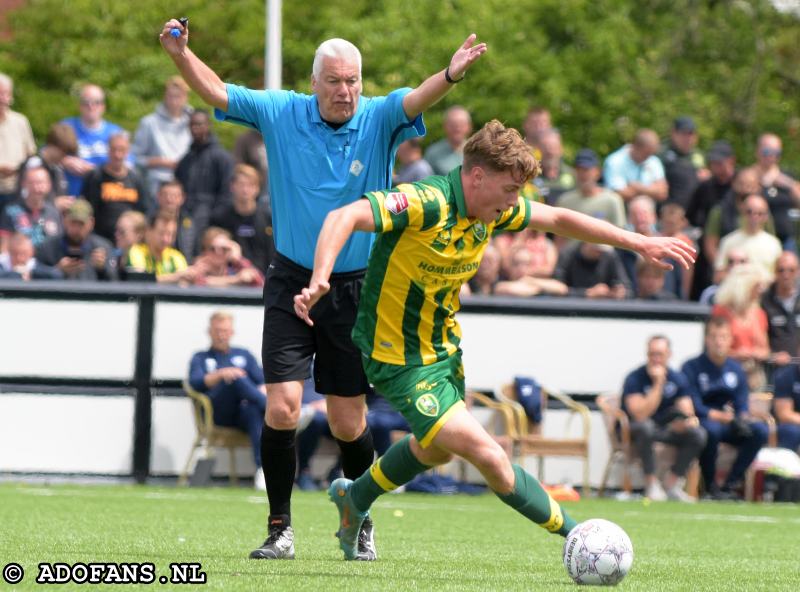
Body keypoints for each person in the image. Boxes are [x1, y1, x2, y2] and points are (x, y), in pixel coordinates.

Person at [161, 17, 487, 561]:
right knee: (284, 407)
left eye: (353, 81)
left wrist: (450, 74)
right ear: (314, 82)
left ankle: (360, 518)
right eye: (335, 81)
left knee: (347, 420)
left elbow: (415, 98)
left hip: (356, 289)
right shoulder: (281, 110)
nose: (345, 92)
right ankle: (279, 528)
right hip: (291, 279)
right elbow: (216, 91)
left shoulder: (380, 117)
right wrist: (180, 56)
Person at [292, 120, 694, 560]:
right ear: (476, 176)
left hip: (443, 354)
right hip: (396, 358)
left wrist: (637, 242)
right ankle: (581, 539)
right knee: (490, 455)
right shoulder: (427, 202)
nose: (514, 201)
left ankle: (356, 498)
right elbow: (343, 216)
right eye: (510, 188)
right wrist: (319, 279)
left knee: (434, 451)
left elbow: (558, 218)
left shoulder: (493, 209)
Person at [681, 316, 769, 500]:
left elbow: (741, 402)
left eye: (723, 337)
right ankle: (709, 486)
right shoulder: (692, 367)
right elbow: (695, 405)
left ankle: (730, 485)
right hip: (704, 420)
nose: (719, 342)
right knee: (710, 432)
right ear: (707, 340)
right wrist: (724, 417)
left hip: (731, 423)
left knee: (759, 431)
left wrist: (742, 418)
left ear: (730, 340)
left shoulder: (735, 369)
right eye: (714, 337)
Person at [188, 312, 268, 490]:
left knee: (254, 410)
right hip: (217, 412)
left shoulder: (244, 355)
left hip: (242, 414)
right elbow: (195, 383)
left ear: (232, 332)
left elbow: (262, 381)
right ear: (209, 332)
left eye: (225, 330)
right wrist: (221, 374)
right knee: (234, 378)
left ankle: (263, 470)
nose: (221, 334)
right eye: (217, 330)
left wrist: (260, 389)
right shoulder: (200, 357)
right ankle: (277, 411)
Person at [621, 335, 706, 502]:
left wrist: (685, 422)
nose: (656, 359)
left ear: (669, 355)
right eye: (652, 354)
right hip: (638, 430)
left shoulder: (678, 378)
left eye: (660, 354)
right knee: (645, 426)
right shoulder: (635, 378)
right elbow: (639, 414)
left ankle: (671, 484)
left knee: (698, 434)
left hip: (666, 429)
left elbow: (687, 410)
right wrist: (658, 383)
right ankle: (651, 484)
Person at [174, 109, 235, 258]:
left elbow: (227, 193)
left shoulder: (222, 157)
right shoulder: (185, 160)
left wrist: (213, 217)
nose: (195, 128)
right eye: (192, 124)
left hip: (212, 221)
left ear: (208, 125)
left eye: (199, 124)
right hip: (186, 217)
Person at [60, 84, 128, 197]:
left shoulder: (116, 133)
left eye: (97, 102)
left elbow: (128, 166)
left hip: (105, 199)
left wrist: (94, 170)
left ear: (103, 106)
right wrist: (64, 160)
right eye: (86, 102)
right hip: (71, 197)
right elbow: (45, 155)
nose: (91, 106)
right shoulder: (66, 127)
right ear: (79, 105)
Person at [81, 132, 150, 243]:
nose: (117, 155)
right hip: (101, 239)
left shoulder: (136, 179)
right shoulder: (95, 177)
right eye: (114, 149)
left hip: (130, 241)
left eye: (121, 150)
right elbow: (87, 209)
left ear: (127, 152)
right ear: (108, 150)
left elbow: (144, 211)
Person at [132, 76, 193, 197]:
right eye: (171, 96)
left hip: (187, 183)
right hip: (156, 185)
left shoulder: (193, 123)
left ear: (186, 98)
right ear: (165, 96)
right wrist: (157, 162)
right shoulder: (149, 123)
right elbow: (135, 158)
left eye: (179, 96)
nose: (174, 101)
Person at [210, 164, 275, 272]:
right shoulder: (219, 218)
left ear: (257, 188)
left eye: (250, 185)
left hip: (263, 278)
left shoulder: (268, 219)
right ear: (232, 186)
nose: (245, 189)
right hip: (230, 278)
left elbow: (274, 255)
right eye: (241, 184)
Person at [36, 199, 116, 281]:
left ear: (91, 223)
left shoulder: (103, 248)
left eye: (81, 224)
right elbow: (34, 276)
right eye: (73, 223)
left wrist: (102, 269)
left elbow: (115, 283)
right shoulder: (49, 247)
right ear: (64, 220)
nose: (76, 229)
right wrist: (56, 271)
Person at [744, 133, 800, 250]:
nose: (772, 156)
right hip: (755, 239)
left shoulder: (787, 177)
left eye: (777, 153)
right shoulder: (748, 176)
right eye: (767, 152)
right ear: (758, 151)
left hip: (785, 240)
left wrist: (789, 185)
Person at [714, 194, 782, 281]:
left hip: (765, 292)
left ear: (766, 216)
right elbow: (718, 276)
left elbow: (779, 274)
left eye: (760, 213)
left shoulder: (774, 243)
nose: (754, 217)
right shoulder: (728, 241)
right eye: (749, 212)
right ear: (742, 212)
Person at [555, 148, 625, 230]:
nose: (582, 174)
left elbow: (621, 232)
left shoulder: (612, 200)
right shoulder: (565, 200)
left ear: (597, 172)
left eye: (586, 170)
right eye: (578, 169)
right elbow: (559, 236)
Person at [18, 122, 78, 212]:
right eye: (63, 153)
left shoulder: (58, 167)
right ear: (52, 146)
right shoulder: (33, 164)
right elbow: (22, 199)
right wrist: (53, 204)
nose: (65, 157)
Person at [0, 166, 62, 253]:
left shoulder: (54, 213)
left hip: (49, 265)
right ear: (24, 184)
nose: (37, 188)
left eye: (41, 183)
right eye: (32, 183)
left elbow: (58, 246)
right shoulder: (10, 211)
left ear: (49, 185)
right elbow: (4, 248)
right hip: (20, 264)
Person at [0, 73, 36, 208]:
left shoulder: (20, 122)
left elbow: (31, 155)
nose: (2, 99)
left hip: (17, 191)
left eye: (5, 94)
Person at [603, 129, 668, 203]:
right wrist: (652, 190)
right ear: (635, 146)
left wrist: (638, 188)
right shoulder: (615, 161)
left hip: (649, 208)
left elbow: (663, 193)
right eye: (646, 153)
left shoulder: (653, 160)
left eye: (651, 153)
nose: (648, 157)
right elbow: (619, 194)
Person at [658, 116, 709, 209]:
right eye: (683, 133)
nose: (687, 138)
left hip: (692, 208)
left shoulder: (698, 156)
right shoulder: (661, 153)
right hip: (667, 208)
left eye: (691, 134)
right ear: (673, 133)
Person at [188, 227, 264, 288]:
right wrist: (236, 279)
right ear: (205, 251)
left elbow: (260, 282)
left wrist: (238, 258)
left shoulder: (235, 267)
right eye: (212, 249)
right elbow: (201, 282)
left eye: (224, 249)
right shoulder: (200, 267)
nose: (219, 252)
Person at [125, 213, 190, 284]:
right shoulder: (136, 252)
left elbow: (183, 284)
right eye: (161, 233)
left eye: (170, 234)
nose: (166, 239)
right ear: (148, 232)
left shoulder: (176, 257)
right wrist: (175, 277)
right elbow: (140, 281)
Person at [761, 251, 800, 367]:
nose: (786, 275)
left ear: (798, 272)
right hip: (775, 367)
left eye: (791, 270)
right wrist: (773, 355)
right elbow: (758, 336)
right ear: (775, 272)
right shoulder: (764, 301)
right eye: (781, 270)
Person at [424, 105, 472, 176]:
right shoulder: (433, 153)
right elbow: (425, 182)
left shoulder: (477, 152)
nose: (457, 127)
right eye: (453, 124)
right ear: (445, 126)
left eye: (461, 124)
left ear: (469, 126)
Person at [531, 128, 575, 205]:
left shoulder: (574, 175)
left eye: (553, 147)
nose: (549, 151)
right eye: (545, 147)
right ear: (538, 149)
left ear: (561, 149)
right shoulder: (530, 176)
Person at [772, 361, 800, 453]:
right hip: (791, 424)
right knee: (791, 431)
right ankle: (785, 466)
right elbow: (784, 415)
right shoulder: (785, 376)